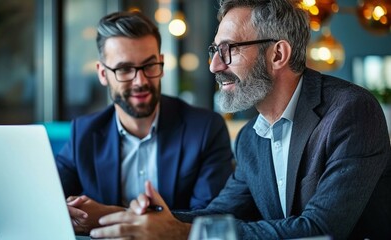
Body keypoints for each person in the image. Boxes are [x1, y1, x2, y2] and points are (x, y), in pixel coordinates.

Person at [87, 0, 391, 239]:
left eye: (228, 49)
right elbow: (220, 214)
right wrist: (130, 218)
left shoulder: (350, 112)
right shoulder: (249, 138)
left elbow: (320, 229)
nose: (214, 65)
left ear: (277, 55)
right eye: (214, 50)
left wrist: (183, 234)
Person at [55, 11, 234, 234]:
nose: (140, 81)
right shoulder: (84, 132)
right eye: (125, 69)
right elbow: (48, 199)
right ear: (102, 74)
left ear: (161, 63)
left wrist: (106, 215)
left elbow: (210, 218)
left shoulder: (205, 128)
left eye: (149, 66)